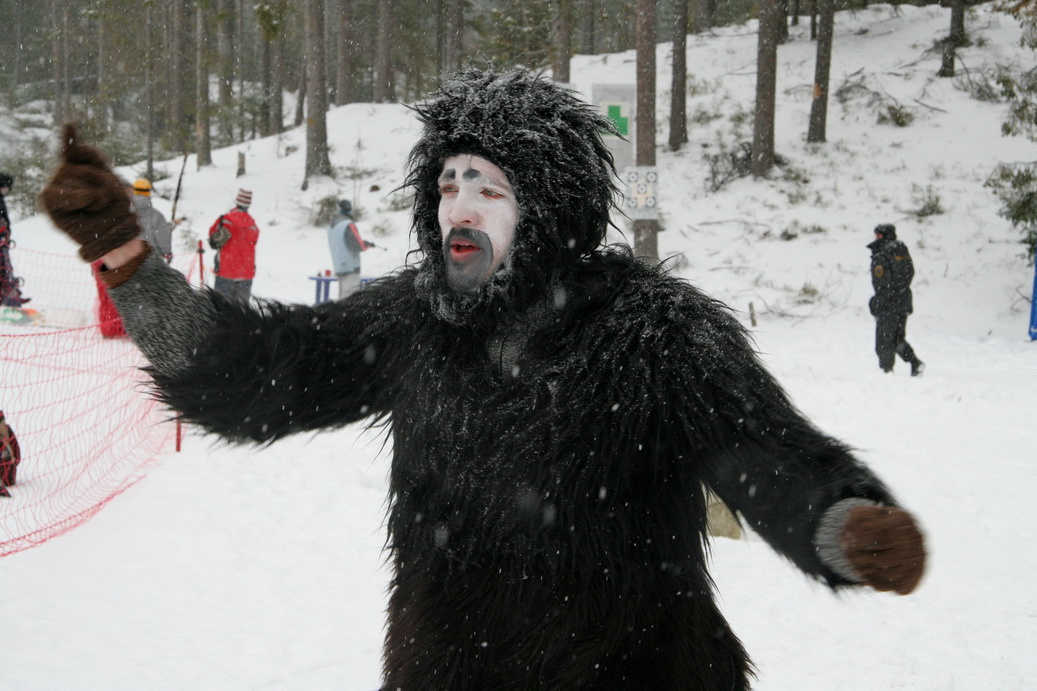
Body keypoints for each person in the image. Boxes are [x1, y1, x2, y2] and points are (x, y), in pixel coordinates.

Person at [42, 70, 926, 689]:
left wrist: (836, 519)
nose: (457, 208)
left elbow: (761, 457)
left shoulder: (656, 331)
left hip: (644, 670)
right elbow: (254, 376)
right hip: (449, 669)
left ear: (546, 209)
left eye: (488, 189)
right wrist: (129, 262)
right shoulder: (412, 321)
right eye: (447, 184)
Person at [868, 223, 924, 376]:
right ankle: (915, 363)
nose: (875, 238)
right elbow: (908, 274)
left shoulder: (882, 255)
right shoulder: (902, 251)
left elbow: (882, 283)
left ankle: (887, 372)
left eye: (878, 235)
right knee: (897, 338)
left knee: (884, 340)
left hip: (888, 305)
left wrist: (880, 301)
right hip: (903, 302)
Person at [208, 189, 259, 301]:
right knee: (241, 312)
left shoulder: (225, 220)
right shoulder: (253, 224)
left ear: (237, 201)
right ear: (248, 204)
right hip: (246, 273)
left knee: (221, 309)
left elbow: (212, 237)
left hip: (226, 271)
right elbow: (254, 242)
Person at [327, 199, 373, 299]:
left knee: (342, 298)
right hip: (350, 266)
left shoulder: (332, 226)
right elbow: (357, 245)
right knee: (351, 299)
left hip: (339, 266)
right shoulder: (348, 224)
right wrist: (367, 244)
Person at [0, 172, 30, 307]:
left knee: (6, 269)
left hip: (3, 242)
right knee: (4, 270)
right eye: (7, 187)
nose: (8, 190)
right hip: (1, 242)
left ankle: (11, 297)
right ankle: (9, 300)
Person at [131, 178, 176, 263]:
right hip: (152, 262)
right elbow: (162, 236)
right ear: (148, 192)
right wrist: (167, 253)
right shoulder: (156, 216)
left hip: (129, 262)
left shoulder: (125, 214)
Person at [0, 410, 20, 498]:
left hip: (7, 478)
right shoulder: (8, 430)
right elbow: (17, 452)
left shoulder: (8, 431)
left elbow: (16, 450)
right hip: (10, 477)